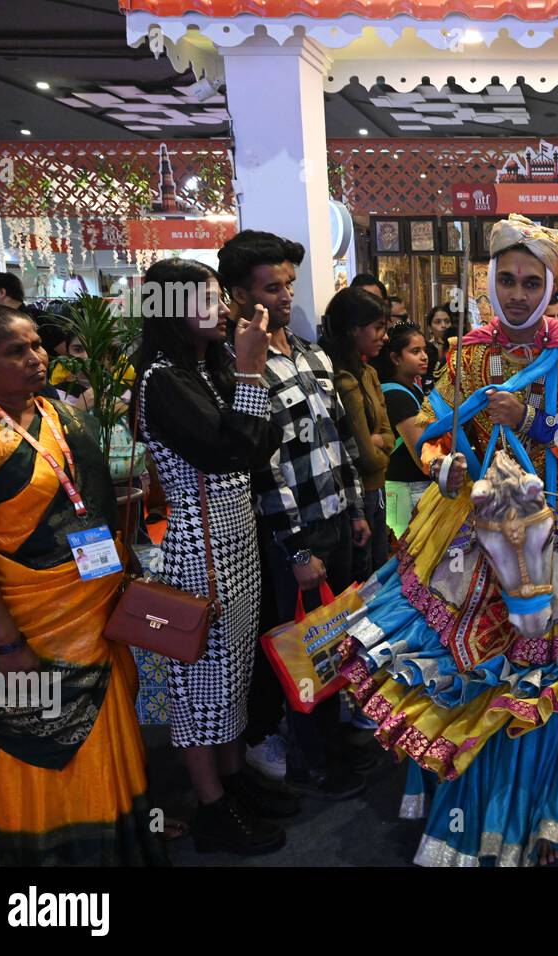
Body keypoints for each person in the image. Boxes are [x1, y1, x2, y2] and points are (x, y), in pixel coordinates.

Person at [330, 213, 558, 866]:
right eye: (506, 280)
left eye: (530, 281)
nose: (516, 294)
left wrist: (538, 422)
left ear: (551, 285)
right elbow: (430, 424)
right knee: (471, 663)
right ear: (489, 280)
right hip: (476, 512)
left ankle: (548, 800)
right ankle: (478, 795)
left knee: (551, 667)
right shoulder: (467, 351)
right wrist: (441, 463)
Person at [0, 304, 167, 865]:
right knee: (42, 747)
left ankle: (127, 844)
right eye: (15, 352)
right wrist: (6, 642)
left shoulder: (62, 417)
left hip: (93, 606)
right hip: (25, 623)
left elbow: (92, 508)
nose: (36, 358)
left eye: (36, 345)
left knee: (114, 726)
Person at [134, 259, 293, 853]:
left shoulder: (205, 367)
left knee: (234, 678)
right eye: (207, 298)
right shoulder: (162, 380)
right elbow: (237, 451)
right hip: (199, 550)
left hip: (237, 542)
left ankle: (232, 782)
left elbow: (264, 436)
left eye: (219, 297)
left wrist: (244, 370)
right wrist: (250, 367)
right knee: (202, 687)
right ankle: (210, 807)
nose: (223, 309)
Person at [219, 236, 371, 800]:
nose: (286, 296)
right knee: (303, 648)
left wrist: (356, 510)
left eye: (288, 284)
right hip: (295, 531)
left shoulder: (312, 354)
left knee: (338, 641)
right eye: (271, 287)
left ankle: (333, 742)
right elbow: (262, 465)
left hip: (337, 518)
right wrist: (297, 547)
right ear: (238, 295)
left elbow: (340, 442)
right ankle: (312, 759)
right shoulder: (239, 369)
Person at [322, 287, 394, 583]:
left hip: (377, 491)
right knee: (365, 578)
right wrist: (378, 445)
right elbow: (364, 456)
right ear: (353, 330)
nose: (385, 336)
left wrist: (380, 441)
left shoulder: (370, 373)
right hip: (358, 495)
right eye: (378, 328)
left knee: (379, 569)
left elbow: (389, 435)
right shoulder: (343, 380)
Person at [379, 322, 431, 538]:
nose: (424, 357)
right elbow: (422, 456)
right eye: (415, 351)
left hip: (412, 488)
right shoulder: (397, 396)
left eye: (425, 350)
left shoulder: (412, 388)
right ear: (395, 358)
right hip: (406, 490)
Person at [420, 302, 454, 395]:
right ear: (430, 328)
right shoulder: (425, 349)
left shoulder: (457, 349)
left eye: (447, 321)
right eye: (438, 322)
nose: (443, 325)